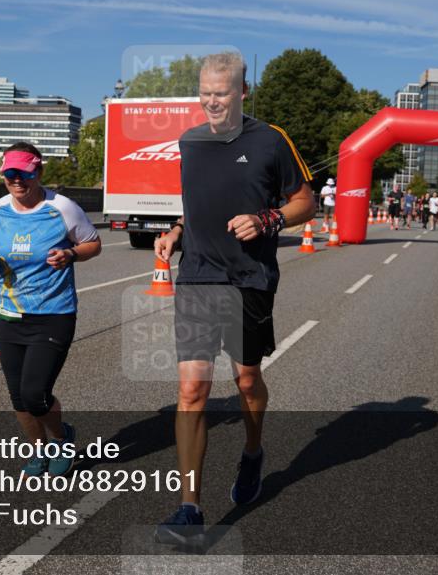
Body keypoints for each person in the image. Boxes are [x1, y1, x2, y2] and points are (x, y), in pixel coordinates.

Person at [153, 52, 316, 546]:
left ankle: (252, 451)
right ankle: (189, 509)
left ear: (243, 93)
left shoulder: (270, 139)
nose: (211, 102)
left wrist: (267, 220)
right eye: (204, 92)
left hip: (249, 278)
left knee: (246, 380)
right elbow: (198, 202)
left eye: (220, 93)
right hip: (198, 276)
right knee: (191, 391)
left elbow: (306, 201)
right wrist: (178, 230)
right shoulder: (190, 141)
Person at [0, 142, 102, 476]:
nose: (18, 181)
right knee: (18, 397)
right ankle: (38, 450)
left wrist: (72, 254)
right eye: (10, 174)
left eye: (25, 174)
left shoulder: (62, 207)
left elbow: (93, 243)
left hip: (53, 314)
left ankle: (62, 439)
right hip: (9, 316)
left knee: (35, 393)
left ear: (39, 172)